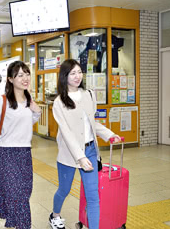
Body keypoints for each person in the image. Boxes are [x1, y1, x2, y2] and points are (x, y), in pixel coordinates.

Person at [48, 59, 121, 229]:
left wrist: (109, 135)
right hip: (69, 153)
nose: (77, 76)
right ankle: (55, 215)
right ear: (64, 76)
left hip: (90, 150)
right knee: (64, 190)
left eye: (79, 72)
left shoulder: (89, 94)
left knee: (93, 195)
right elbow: (66, 133)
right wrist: (79, 157)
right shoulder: (59, 102)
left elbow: (91, 123)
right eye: (72, 73)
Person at [0, 61, 41, 229]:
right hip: (6, 153)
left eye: (27, 74)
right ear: (10, 79)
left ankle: (14, 220)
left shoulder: (29, 101)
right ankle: (23, 225)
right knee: (17, 195)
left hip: (25, 153)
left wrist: (36, 110)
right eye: (20, 75)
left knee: (24, 192)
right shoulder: (2, 101)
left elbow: (30, 121)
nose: (25, 78)